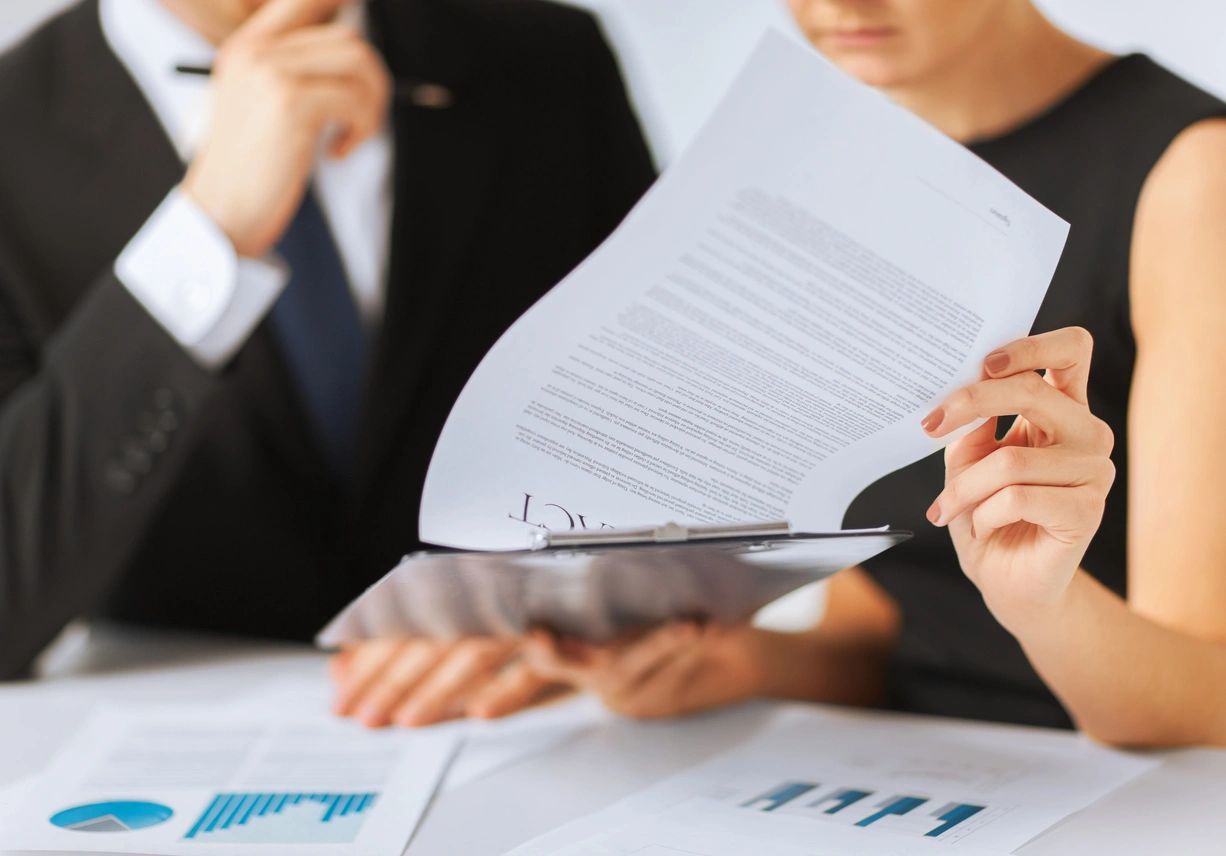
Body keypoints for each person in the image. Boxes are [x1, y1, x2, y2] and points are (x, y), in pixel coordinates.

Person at [336, 0, 1226, 747]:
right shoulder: (864, 155)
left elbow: (1203, 704)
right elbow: (890, 626)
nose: (839, 5)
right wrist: (740, 663)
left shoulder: (1193, 178)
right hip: (902, 774)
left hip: (1107, 790)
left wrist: (1042, 605)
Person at [0, 0, 654, 680]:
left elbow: (661, 432)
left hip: (538, 712)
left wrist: (563, 625)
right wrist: (209, 231)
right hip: (187, 731)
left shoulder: (550, 60)